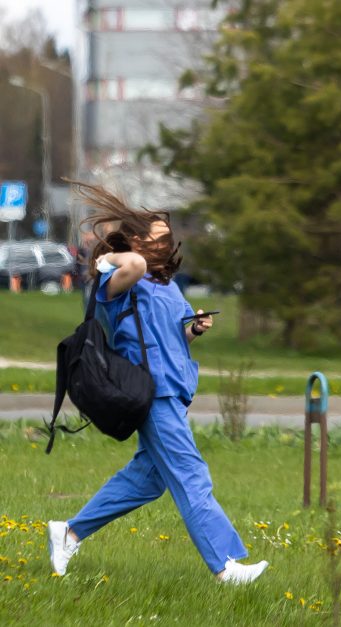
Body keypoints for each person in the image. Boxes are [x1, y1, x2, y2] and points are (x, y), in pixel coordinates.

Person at [47, 182, 268, 585]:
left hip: (175, 390)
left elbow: (174, 338)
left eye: (168, 240)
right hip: (153, 393)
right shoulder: (118, 282)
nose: (165, 247)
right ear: (133, 244)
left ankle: (70, 532)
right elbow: (134, 265)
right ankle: (225, 565)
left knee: (148, 480)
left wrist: (195, 329)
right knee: (191, 474)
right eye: (156, 240)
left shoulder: (167, 287)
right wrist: (110, 255)